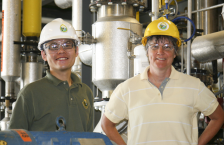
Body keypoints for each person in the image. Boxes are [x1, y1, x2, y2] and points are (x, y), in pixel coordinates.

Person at [101, 17, 224, 145]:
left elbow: (218, 117)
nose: (160, 52)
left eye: (167, 47)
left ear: (175, 52)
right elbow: (106, 124)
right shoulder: (126, 89)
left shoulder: (194, 86)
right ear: (147, 52)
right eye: (154, 46)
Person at [9, 18, 94, 131]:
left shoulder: (86, 92)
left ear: (76, 51)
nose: (61, 51)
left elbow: (88, 138)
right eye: (54, 46)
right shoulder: (30, 93)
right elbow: (14, 139)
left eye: (67, 45)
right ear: (44, 54)